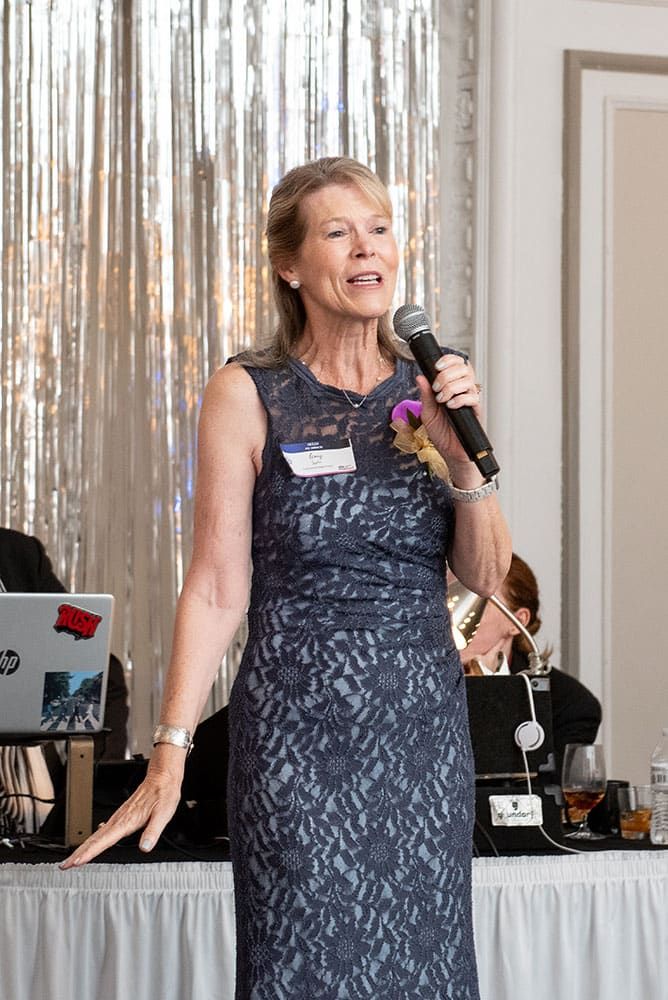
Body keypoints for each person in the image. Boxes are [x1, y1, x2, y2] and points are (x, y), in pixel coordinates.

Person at [62, 156, 511, 999]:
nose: (367, 248)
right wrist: (170, 750)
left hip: (420, 743)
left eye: (379, 229)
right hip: (297, 745)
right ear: (289, 264)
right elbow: (216, 586)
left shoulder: (432, 384)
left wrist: (463, 461)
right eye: (338, 232)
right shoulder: (249, 392)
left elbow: (485, 577)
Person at [461, 552, 601, 773]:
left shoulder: (570, 703)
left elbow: (541, 787)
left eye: (474, 604)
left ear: (517, 622)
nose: (454, 614)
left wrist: (486, 688)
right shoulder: (414, 683)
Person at [0, 527, 129, 759]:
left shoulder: (20, 552)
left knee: (103, 678)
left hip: (26, 760)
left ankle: (93, 780)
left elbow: (72, 647)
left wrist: (85, 773)